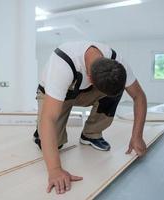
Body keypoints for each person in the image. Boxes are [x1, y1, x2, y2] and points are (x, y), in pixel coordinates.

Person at [33, 41, 147, 195]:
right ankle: (38, 132)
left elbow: (139, 96)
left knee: (115, 90)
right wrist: (55, 170)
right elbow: (49, 118)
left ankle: (91, 134)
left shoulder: (118, 62)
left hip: (83, 91)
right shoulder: (62, 65)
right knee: (52, 143)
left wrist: (137, 136)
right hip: (54, 94)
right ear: (90, 79)